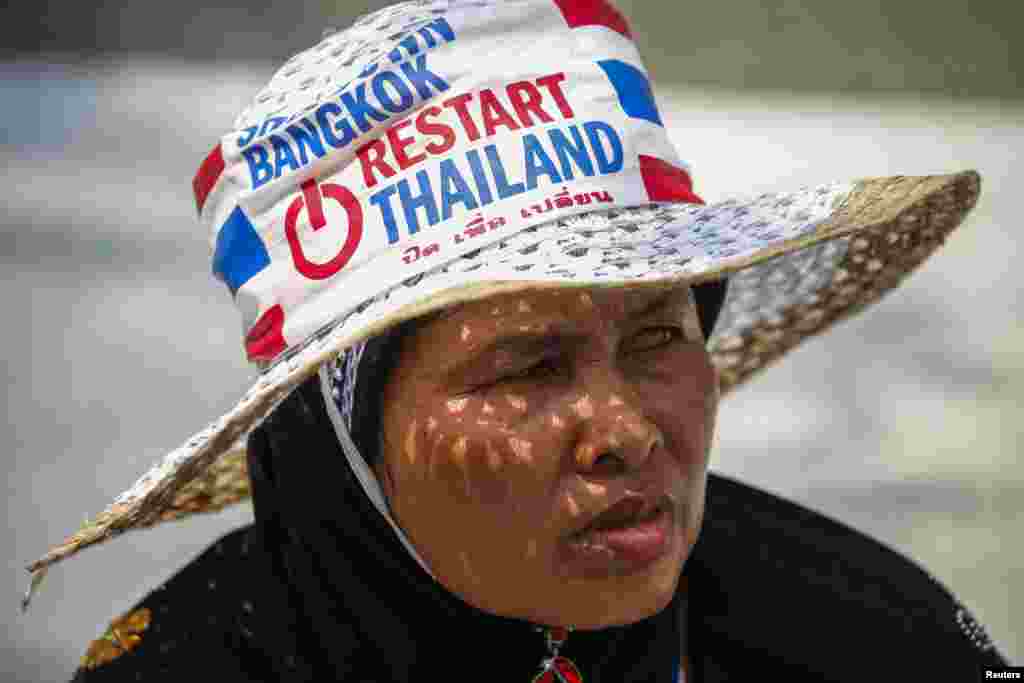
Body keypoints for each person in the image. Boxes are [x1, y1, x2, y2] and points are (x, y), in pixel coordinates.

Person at [23, 1, 1009, 681]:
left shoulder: (853, 628)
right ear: (354, 445)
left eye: (659, 335)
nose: (625, 429)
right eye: (528, 365)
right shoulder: (194, 663)